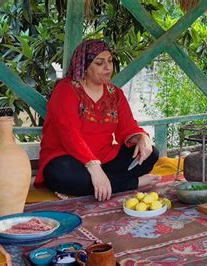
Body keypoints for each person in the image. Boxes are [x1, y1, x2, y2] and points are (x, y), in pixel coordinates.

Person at [35, 39, 160, 201]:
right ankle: (132, 183)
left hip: (105, 157)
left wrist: (142, 138)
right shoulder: (66, 89)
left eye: (109, 61)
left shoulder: (115, 93)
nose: (108, 67)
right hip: (67, 158)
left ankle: (95, 186)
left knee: (150, 154)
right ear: (84, 67)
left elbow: (127, 128)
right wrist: (93, 166)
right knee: (61, 175)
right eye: (99, 63)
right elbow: (69, 134)